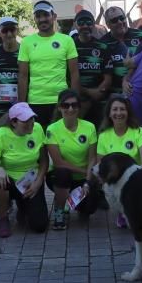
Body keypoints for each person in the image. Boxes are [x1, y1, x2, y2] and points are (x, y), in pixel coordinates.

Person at [0, 102, 48, 237]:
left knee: (39, 226)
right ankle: (3, 218)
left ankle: (23, 205)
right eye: (26, 120)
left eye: (32, 118)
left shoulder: (37, 129)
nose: (31, 122)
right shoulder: (0, 135)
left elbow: (44, 161)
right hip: (10, 180)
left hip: (31, 181)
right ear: (14, 122)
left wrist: (38, 182)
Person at [18, 0, 80, 127]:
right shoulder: (26, 42)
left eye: (46, 15)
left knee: (60, 143)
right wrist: (22, 104)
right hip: (35, 101)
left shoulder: (66, 40)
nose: (42, 19)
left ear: (54, 17)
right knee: (37, 143)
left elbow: (74, 74)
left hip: (61, 102)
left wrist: (74, 103)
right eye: (38, 16)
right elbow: (23, 76)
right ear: (35, 19)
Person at [45, 89, 99, 230]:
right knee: (62, 172)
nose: (70, 109)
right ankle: (59, 209)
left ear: (79, 107)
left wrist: (87, 181)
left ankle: (73, 201)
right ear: (59, 107)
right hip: (61, 176)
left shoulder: (89, 127)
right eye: (65, 105)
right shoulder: (52, 129)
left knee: (90, 208)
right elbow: (58, 162)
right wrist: (84, 170)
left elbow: (92, 158)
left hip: (84, 177)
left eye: (74, 105)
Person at [96, 95, 142, 227]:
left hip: (136, 179)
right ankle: (122, 211)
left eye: (122, 109)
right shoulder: (104, 135)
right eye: (115, 109)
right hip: (115, 182)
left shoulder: (139, 131)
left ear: (128, 112)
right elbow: (101, 167)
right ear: (109, 113)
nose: (119, 113)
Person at [100, 6, 142, 94]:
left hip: (141, 91)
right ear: (108, 25)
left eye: (122, 18)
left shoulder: (141, 36)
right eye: (114, 20)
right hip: (114, 96)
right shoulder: (103, 43)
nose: (119, 22)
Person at [72, 9, 112, 123]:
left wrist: (98, 92)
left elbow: (108, 78)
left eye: (89, 22)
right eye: (81, 22)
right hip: (75, 102)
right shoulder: (69, 46)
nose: (85, 26)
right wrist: (88, 92)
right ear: (75, 24)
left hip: (99, 101)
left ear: (94, 24)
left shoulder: (102, 47)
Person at [0, 16, 20, 120]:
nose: (9, 34)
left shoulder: (25, 51)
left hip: (20, 108)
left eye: (12, 30)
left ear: (17, 30)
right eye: (5, 30)